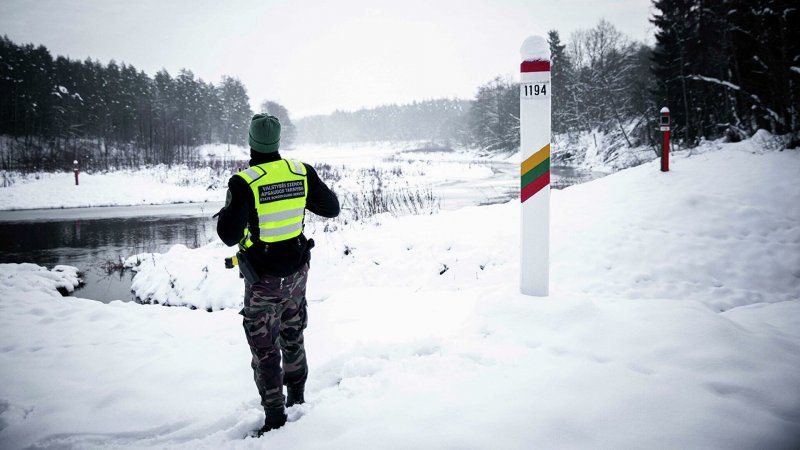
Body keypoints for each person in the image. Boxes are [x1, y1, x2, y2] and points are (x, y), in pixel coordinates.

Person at [216, 114, 340, 435]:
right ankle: (297, 396)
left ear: (251, 141)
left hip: (263, 280)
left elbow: (228, 235)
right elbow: (331, 208)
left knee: (265, 348)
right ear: (278, 140)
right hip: (297, 274)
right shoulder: (301, 172)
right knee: (293, 333)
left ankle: (275, 417)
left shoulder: (244, 182)